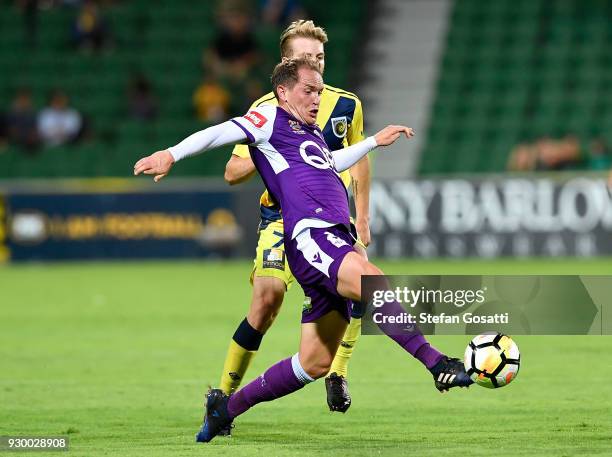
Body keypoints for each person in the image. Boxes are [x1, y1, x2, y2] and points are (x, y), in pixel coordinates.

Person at [133, 57, 473, 443]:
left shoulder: (308, 134)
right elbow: (217, 133)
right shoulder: (268, 119)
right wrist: (171, 154)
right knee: (372, 281)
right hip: (312, 234)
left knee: (314, 362)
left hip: (333, 238)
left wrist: (374, 141)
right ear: (283, 92)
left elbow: (329, 163)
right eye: (309, 91)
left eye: (320, 91)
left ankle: (224, 410)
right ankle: (436, 363)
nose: (317, 99)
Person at [220, 20, 371, 418]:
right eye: (306, 58)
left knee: (359, 287)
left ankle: (337, 372)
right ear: (286, 64)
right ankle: (221, 395)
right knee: (267, 298)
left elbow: (360, 159)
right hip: (281, 218)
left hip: (332, 220)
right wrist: (266, 144)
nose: (316, 65)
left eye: (320, 58)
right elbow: (232, 173)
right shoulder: (263, 111)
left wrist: (364, 216)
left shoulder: (345, 105)